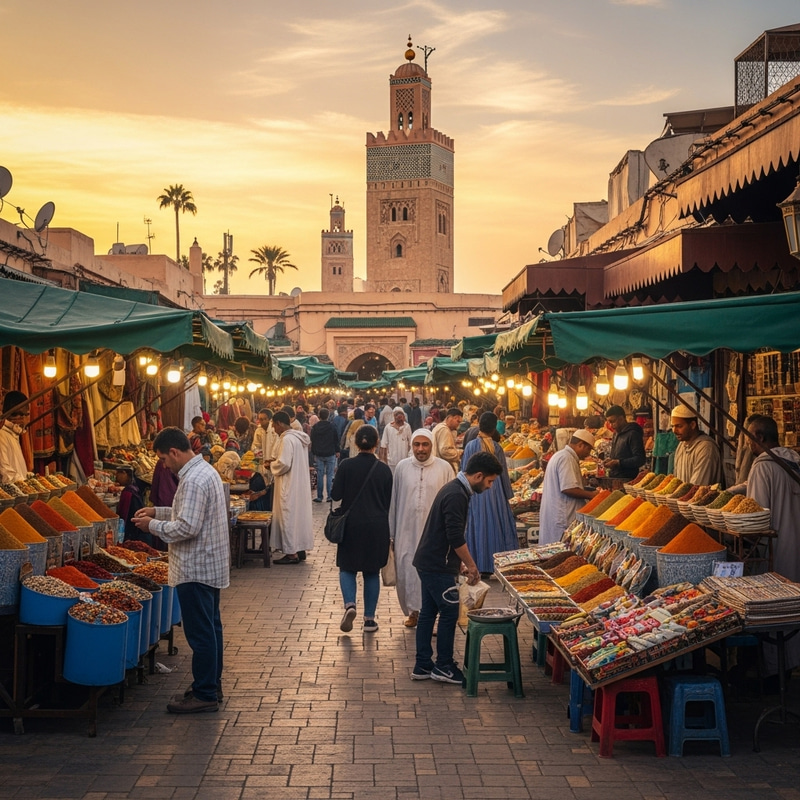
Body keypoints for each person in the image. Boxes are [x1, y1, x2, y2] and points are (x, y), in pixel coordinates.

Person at [132, 427, 229, 714]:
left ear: (174, 452)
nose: (164, 464)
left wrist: (152, 526)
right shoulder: (202, 472)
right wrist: (158, 512)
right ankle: (210, 684)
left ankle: (205, 693)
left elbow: (187, 526)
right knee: (211, 630)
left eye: (163, 458)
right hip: (207, 566)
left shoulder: (194, 480)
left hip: (196, 567)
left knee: (201, 634)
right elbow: (186, 513)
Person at [412, 451, 503, 684]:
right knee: (449, 611)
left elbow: (447, 533)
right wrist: (472, 566)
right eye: (490, 481)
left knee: (429, 612)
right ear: (479, 475)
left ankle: (423, 664)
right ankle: (443, 665)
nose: (490, 487)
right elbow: (454, 536)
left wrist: (460, 562)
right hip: (436, 564)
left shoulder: (455, 489)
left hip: (430, 560)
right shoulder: (457, 495)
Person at [331, 425, 393, 633]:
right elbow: (387, 501)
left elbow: (336, 494)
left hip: (351, 525)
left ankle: (350, 604)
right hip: (376, 526)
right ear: (376, 444)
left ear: (356, 443)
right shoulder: (384, 469)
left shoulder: (346, 465)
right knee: (371, 572)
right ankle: (369, 620)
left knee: (347, 567)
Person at [389, 428, 454, 627]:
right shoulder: (402, 467)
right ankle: (413, 612)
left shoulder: (445, 468)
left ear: (432, 445)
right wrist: (391, 533)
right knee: (408, 570)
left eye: (425, 444)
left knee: (433, 574)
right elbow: (394, 501)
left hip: (435, 534)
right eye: (416, 445)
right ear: (411, 446)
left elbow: (453, 503)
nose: (420, 449)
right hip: (406, 532)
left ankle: (432, 617)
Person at [461, 412, 519, 574]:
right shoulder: (497, 447)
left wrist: (464, 492)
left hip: (475, 493)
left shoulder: (470, 446)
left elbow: (464, 471)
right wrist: (508, 495)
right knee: (497, 526)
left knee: (477, 526)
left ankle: (478, 564)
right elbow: (503, 474)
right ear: (494, 429)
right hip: (495, 492)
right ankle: (497, 564)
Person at [539, 430, 599, 545]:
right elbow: (568, 488)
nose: (588, 454)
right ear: (580, 444)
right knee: (559, 553)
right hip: (562, 518)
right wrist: (593, 496)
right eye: (588, 449)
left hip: (557, 515)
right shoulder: (566, 458)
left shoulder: (561, 455)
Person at [270, 411, 314, 564]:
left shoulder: (287, 439)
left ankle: (291, 553)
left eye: (274, 425)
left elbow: (284, 463)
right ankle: (299, 548)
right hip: (299, 483)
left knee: (288, 516)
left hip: (288, 484)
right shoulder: (298, 438)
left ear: (280, 424)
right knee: (297, 517)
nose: (274, 429)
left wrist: (270, 464)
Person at [671, 404, 722, 485]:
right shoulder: (681, 445)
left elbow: (697, 486)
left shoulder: (706, 447)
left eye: (679, 426)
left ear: (692, 425)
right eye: (672, 426)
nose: (674, 430)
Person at [602, 405, 646, 481]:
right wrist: (611, 460)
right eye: (609, 422)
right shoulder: (616, 434)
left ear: (621, 419)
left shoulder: (633, 434)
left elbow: (640, 459)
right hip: (615, 478)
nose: (611, 425)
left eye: (612, 421)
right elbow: (618, 456)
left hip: (628, 480)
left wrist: (618, 462)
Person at [310, 407, 339, 502]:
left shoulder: (315, 427)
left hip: (319, 454)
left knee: (320, 475)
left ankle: (319, 496)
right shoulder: (332, 426)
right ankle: (329, 496)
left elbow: (312, 440)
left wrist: (313, 452)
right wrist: (337, 451)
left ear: (319, 416)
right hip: (330, 453)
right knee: (330, 475)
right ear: (328, 416)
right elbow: (336, 440)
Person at [0, 390, 29, 483]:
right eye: (15, 414)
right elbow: (6, 473)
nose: (21, 419)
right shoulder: (2, 435)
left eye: (25, 414)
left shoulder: (14, 434)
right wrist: (25, 485)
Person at [116, 467, 145, 543]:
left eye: (118, 473)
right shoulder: (134, 487)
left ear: (124, 473)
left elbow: (124, 514)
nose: (116, 476)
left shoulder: (128, 492)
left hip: (130, 532)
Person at [379, 407, 413, 473]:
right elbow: (383, 445)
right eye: (397, 415)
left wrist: (410, 457)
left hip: (404, 460)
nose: (399, 417)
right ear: (394, 416)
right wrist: (383, 461)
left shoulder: (407, 427)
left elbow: (410, 443)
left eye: (401, 414)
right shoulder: (388, 427)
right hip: (391, 461)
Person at [432, 407, 463, 474]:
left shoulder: (439, 426)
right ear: (450, 418)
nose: (458, 425)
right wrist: (459, 453)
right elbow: (445, 451)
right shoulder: (444, 430)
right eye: (458, 421)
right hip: (442, 469)